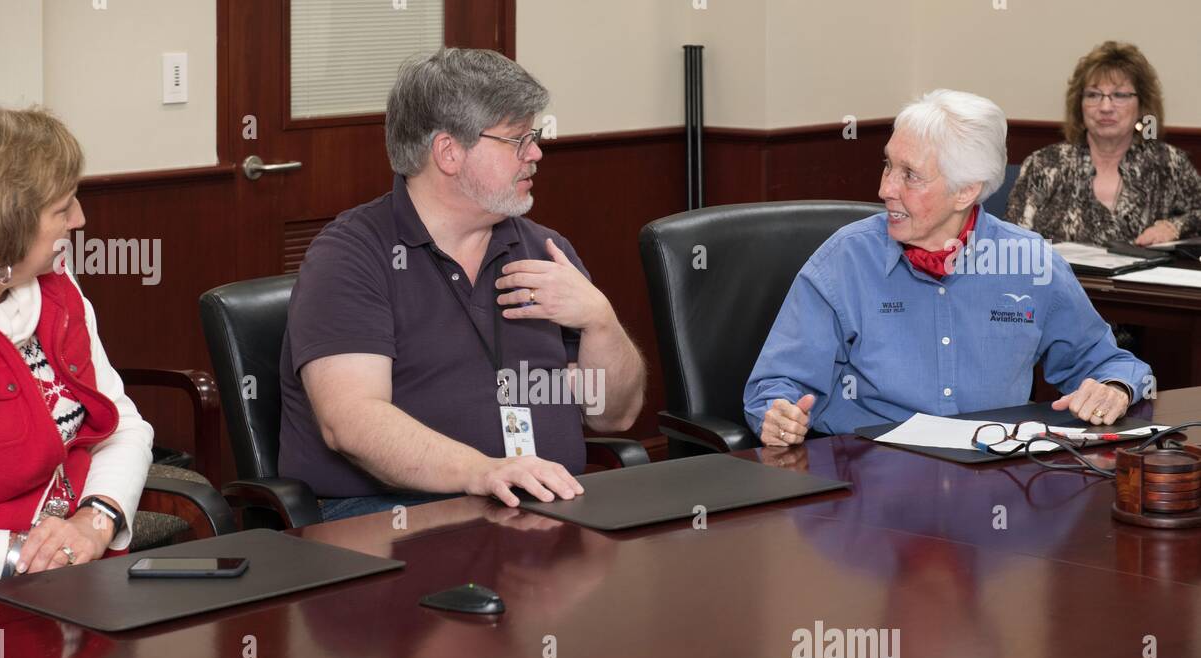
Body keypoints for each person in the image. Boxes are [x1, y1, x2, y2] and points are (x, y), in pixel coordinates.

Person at [280, 48, 645, 521]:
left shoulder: (544, 249)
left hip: (542, 507)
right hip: (389, 516)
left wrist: (600, 320)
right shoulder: (351, 255)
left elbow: (613, 415)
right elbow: (350, 421)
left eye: (533, 137)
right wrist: (483, 471)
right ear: (449, 152)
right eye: (517, 139)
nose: (536, 153)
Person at [744, 90, 1152, 446]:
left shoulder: (1029, 263)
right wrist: (778, 416)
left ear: (966, 191)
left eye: (910, 176)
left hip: (991, 483)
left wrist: (1114, 387)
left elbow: (1108, 363)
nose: (885, 189)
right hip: (868, 478)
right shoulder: (845, 261)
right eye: (888, 166)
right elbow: (776, 385)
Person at [0, 102, 153, 591]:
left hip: (70, 575)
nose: (79, 219)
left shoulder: (55, 287)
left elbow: (123, 427)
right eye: (62, 208)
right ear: (2, 224)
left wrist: (93, 522)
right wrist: (22, 555)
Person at [1005, 41, 1201, 246]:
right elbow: (1011, 240)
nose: (1105, 107)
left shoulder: (1168, 164)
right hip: (1056, 277)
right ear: (1079, 105)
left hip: (1137, 278)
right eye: (1093, 95)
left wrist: (1173, 226)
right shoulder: (1044, 165)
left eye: (1120, 95)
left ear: (1142, 105)